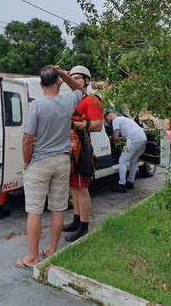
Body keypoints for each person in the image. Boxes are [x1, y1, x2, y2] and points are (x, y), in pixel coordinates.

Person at [14, 65, 83, 270]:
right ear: (58, 82)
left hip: (40, 162)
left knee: (34, 210)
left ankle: (33, 257)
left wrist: (26, 162)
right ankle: (52, 249)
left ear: (42, 84)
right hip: (62, 161)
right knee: (58, 206)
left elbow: (28, 140)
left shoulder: (37, 106)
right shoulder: (68, 102)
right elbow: (80, 88)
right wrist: (64, 74)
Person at [62, 65, 103, 242]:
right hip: (71, 144)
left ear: (86, 81)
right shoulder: (72, 99)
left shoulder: (92, 100)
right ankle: (76, 220)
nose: (75, 80)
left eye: (79, 77)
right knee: (74, 187)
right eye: (73, 77)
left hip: (82, 145)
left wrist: (73, 125)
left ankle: (84, 227)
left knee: (81, 188)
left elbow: (97, 125)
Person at [104, 110, 148, 193]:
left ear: (111, 116)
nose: (108, 122)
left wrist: (111, 138)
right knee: (133, 161)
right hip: (143, 140)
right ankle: (130, 183)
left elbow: (116, 137)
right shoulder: (125, 120)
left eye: (107, 120)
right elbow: (123, 137)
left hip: (134, 140)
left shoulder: (116, 120)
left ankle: (121, 185)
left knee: (122, 161)